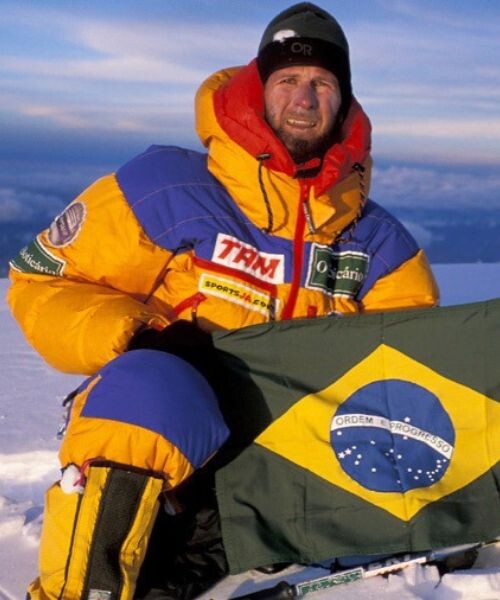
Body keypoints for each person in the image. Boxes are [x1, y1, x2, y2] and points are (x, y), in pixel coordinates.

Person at [8, 2, 439, 598]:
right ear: (259, 88)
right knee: (146, 389)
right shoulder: (165, 187)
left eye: (322, 83)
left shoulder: (382, 246)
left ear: (344, 103)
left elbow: (417, 375)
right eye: (287, 80)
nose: (304, 98)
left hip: (303, 458)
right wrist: (143, 338)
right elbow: (44, 281)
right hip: (173, 442)